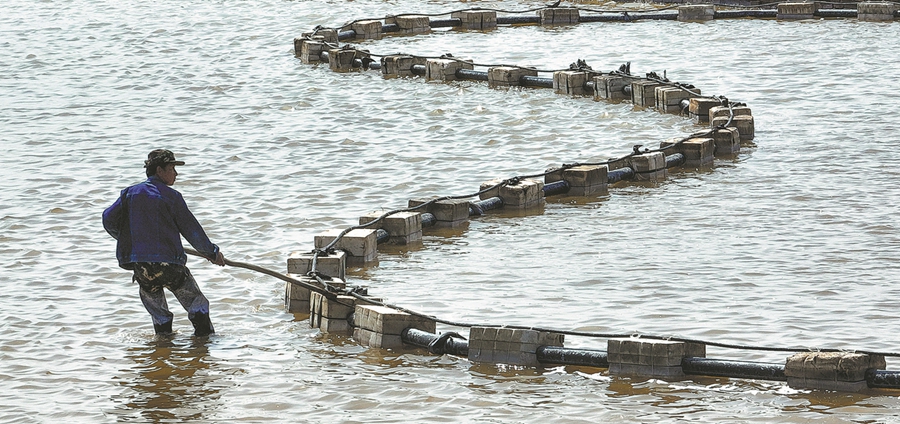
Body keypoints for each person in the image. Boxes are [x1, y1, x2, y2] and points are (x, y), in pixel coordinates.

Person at [103, 149, 225, 337]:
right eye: (171, 168)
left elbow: (108, 219)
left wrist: (130, 240)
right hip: (169, 264)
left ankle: (163, 348)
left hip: (142, 265)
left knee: (158, 311)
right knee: (196, 302)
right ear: (159, 170)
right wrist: (212, 252)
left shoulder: (129, 194)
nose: (176, 173)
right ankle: (204, 344)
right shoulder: (171, 197)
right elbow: (192, 230)